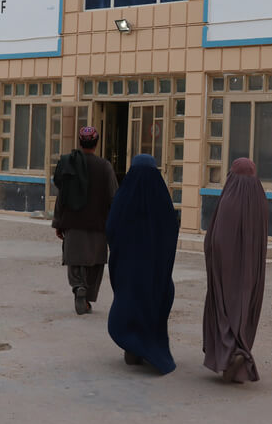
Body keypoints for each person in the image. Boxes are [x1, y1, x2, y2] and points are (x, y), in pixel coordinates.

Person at [106, 154, 179, 373]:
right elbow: (171, 231)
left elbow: (111, 227)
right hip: (154, 270)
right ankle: (146, 345)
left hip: (128, 268)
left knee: (128, 302)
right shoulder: (162, 200)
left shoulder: (124, 197)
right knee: (155, 301)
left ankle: (132, 345)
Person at [202, 157, 268, 383]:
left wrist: (213, 262)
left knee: (224, 309)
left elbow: (216, 238)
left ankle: (230, 355)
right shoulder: (260, 199)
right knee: (244, 310)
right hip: (251, 271)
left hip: (225, 270)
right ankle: (241, 351)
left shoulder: (229, 198)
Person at [52, 126, 117, 315]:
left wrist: (58, 222)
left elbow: (61, 196)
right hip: (98, 224)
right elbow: (114, 196)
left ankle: (78, 287)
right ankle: (87, 296)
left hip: (72, 222)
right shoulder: (105, 167)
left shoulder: (70, 164)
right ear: (96, 144)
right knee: (95, 262)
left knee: (74, 259)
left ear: (80, 143)